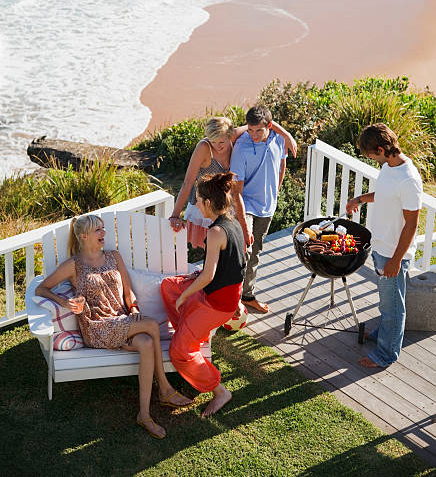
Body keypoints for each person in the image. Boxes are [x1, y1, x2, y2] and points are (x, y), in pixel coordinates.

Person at [35, 213, 193, 439]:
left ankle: (144, 415)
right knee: (150, 325)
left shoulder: (114, 256)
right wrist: (65, 302)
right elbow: (41, 289)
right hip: (97, 327)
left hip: (121, 320)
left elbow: (128, 291)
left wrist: (134, 308)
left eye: (103, 228)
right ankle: (165, 389)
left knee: (147, 342)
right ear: (83, 236)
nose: (103, 233)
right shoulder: (74, 265)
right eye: (97, 230)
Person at [161, 172, 246, 417]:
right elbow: (232, 263)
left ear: (208, 203)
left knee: (178, 352)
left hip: (217, 303)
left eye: (198, 200)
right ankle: (191, 335)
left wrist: (184, 296)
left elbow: (209, 276)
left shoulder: (216, 232)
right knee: (168, 285)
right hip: (218, 293)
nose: (196, 204)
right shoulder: (230, 221)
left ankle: (219, 391)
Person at [345, 123, 423, 368]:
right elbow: (384, 194)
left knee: (393, 307)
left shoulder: (409, 180)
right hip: (381, 247)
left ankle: (386, 354)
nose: (370, 158)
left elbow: (411, 225)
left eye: (371, 154)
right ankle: (383, 334)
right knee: (386, 302)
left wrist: (396, 260)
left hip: (392, 252)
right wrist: (359, 199)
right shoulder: (390, 166)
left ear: (381, 148)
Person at [169, 116, 296, 249]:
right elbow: (188, 183)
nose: (217, 146)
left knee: (225, 248)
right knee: (207, 248)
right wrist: (175, 215)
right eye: (213, 141)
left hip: (224, 204)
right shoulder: (203, 148)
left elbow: (262, 122)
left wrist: (287, 136)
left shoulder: (233, 135)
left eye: (222, 142)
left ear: (229, 136)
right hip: (204, 205)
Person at [231, 105, 294, 313]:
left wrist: (275, 191)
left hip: (267, 206)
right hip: (246, 205)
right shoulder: (241, 147)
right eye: (250, 130)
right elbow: (236, 192)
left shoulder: (278, 138)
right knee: (244, 251)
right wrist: (244, 224)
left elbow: (282, 165)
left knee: (256, 252)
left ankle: (247, 295)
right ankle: (231, 300)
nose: (254, 135)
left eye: (259, 130)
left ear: (269, 126)